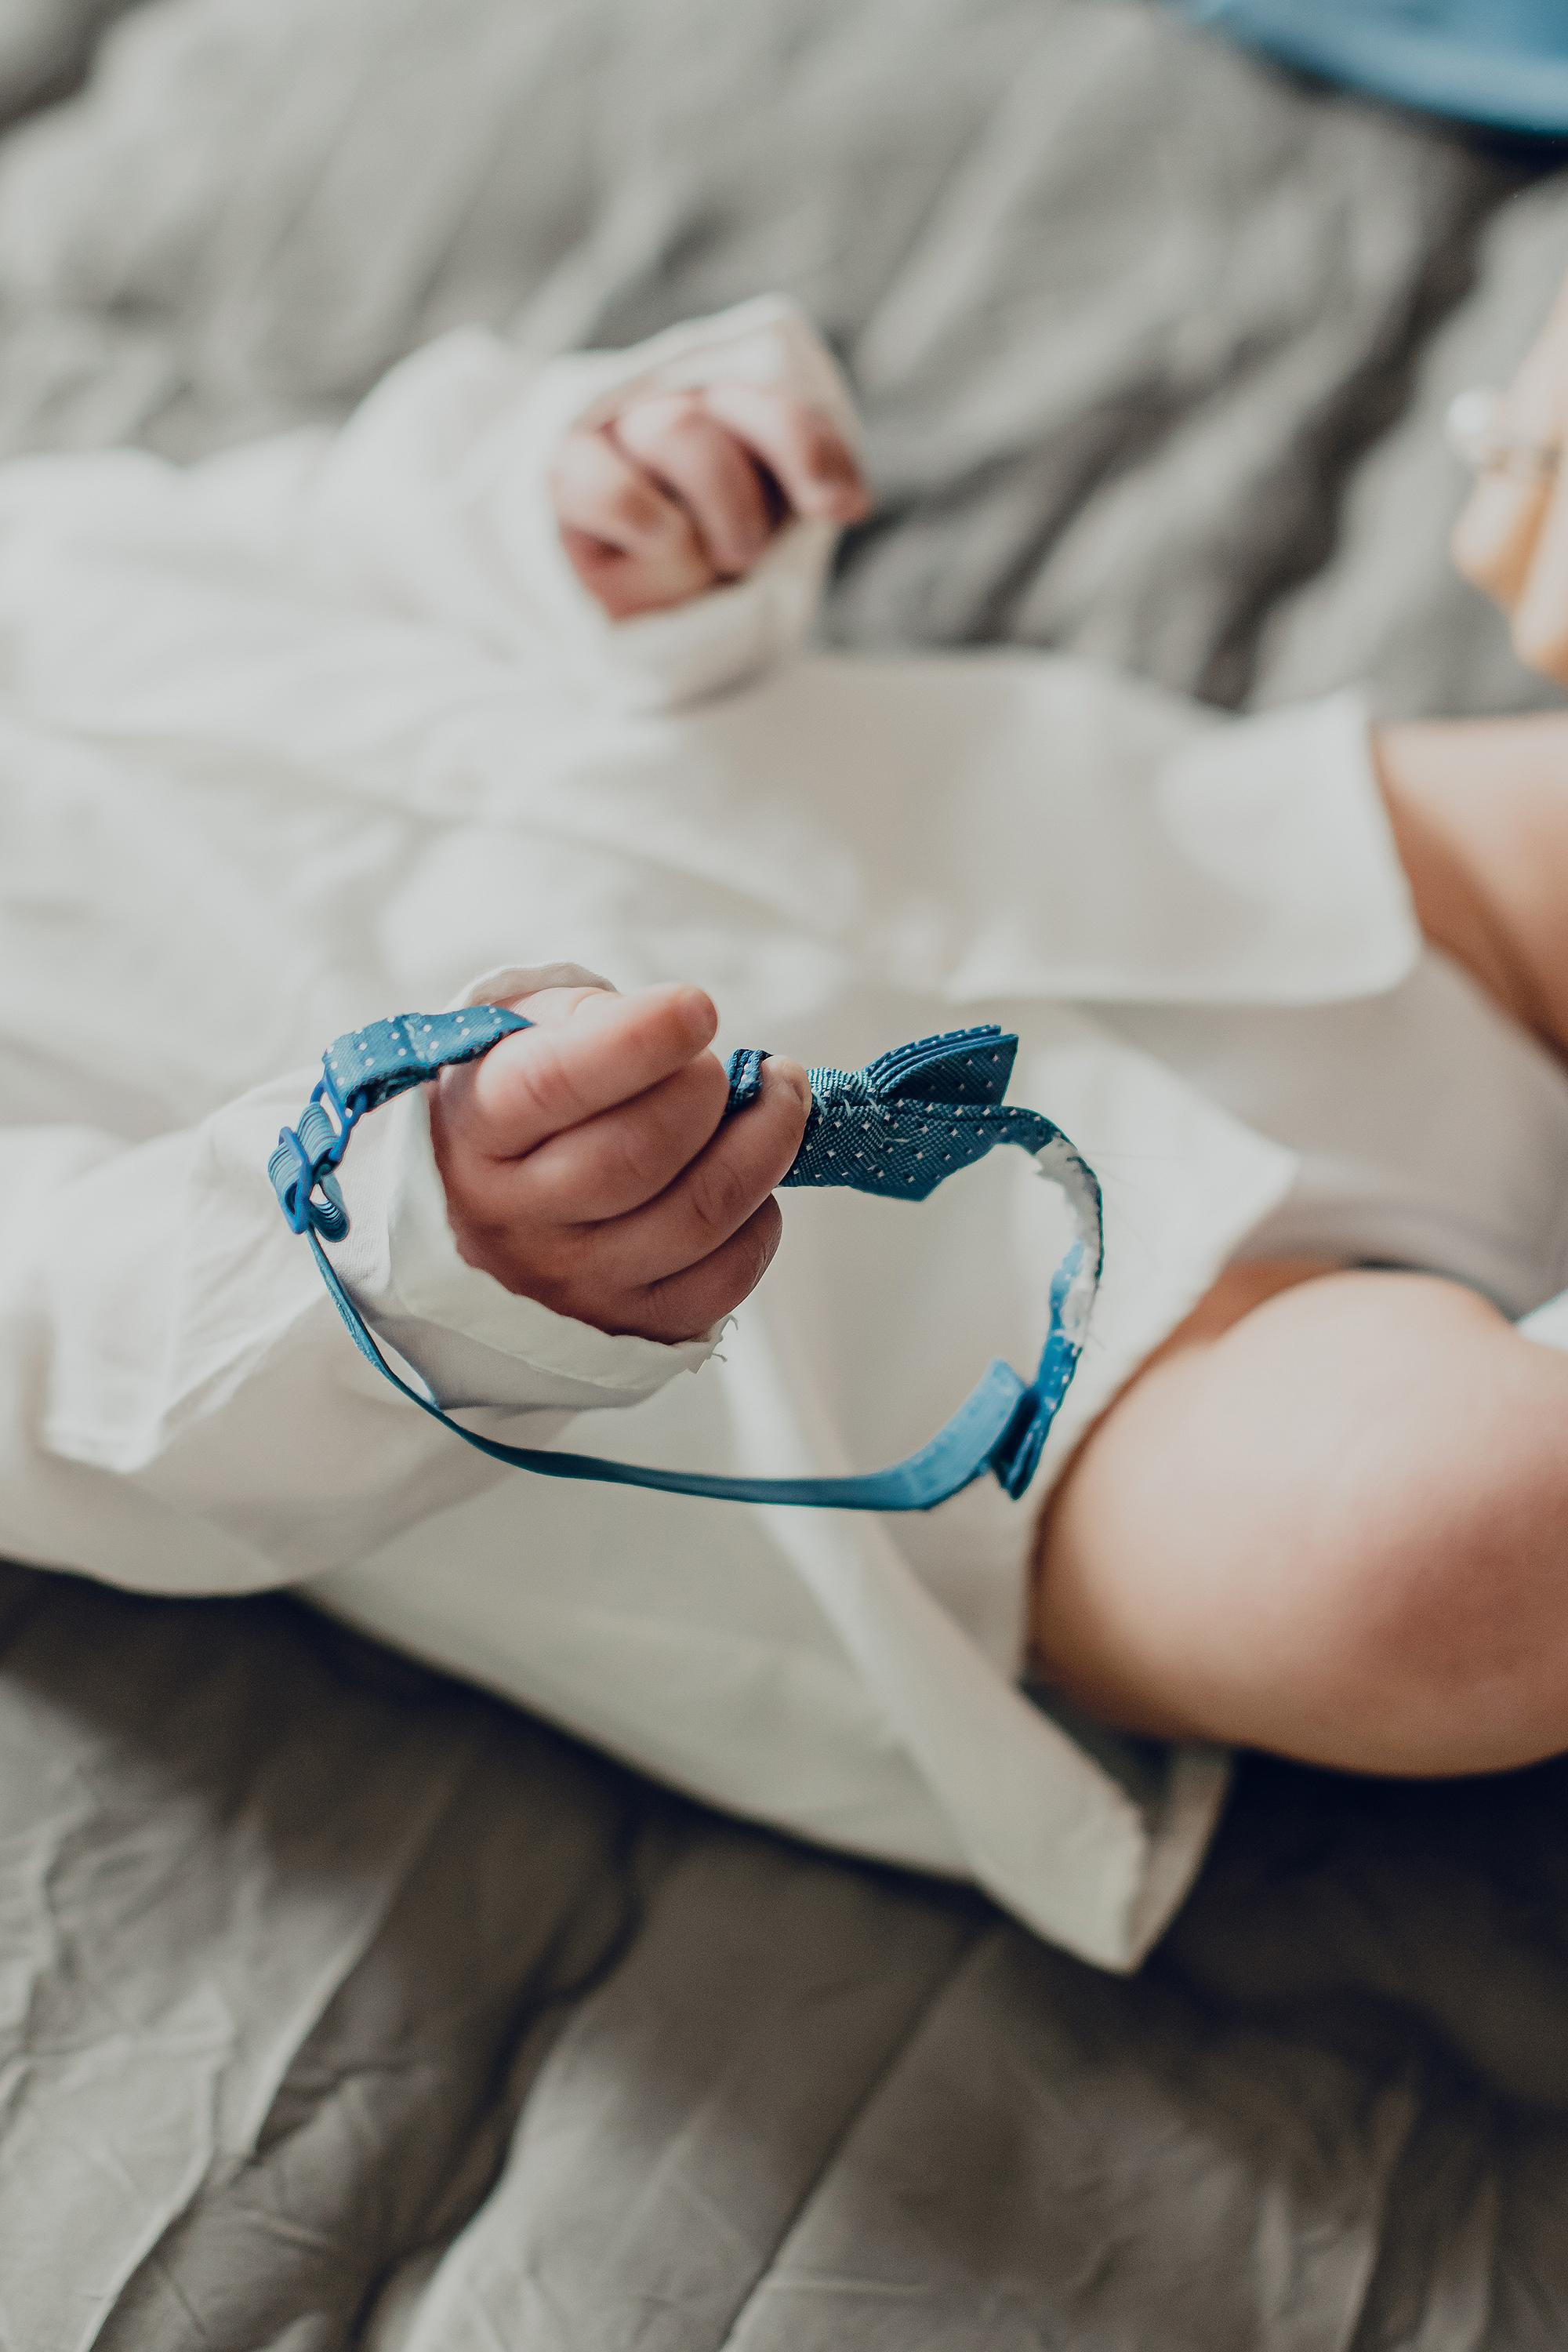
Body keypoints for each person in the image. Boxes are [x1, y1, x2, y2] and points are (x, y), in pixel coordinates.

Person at [3, 288, 1568, 1976]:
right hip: (987, 1377)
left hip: (1155, 861)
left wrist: (599, 500)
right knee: (1448, 1550)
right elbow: (78, 1365)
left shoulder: (51, 542)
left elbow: (382, 520)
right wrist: (429, 1236)